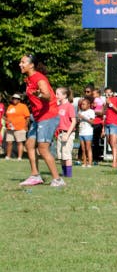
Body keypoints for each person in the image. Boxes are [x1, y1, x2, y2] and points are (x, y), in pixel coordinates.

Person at [18, 54, 65, 187]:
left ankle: (58, 179)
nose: (20, 64)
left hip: (48, 116)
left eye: (23, 62)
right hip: (39, 117)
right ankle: (35, 176)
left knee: (43, 149)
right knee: (29, 144)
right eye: (20, 62)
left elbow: (47, 96)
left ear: (31, 65)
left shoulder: (38, 78)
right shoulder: (29, 79)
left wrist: (38, 94)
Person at [55, 87, 76, 177]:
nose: (56, 96)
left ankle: (68, 175)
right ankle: (64, 174)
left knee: (66, 155)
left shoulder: (69, 106)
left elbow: (74, 121)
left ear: (65, 95)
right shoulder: (58, 106)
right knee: (61, 155)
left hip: (67, 133)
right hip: (60, 133)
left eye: (58, 94)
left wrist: (67, 134)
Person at [102, 87, 117, 169]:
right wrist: (103, 129)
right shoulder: (105, 102)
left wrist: (111, 104)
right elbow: (104, 114)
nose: (107, 95)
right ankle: (116, 159)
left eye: (109, 93)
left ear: (112, 93)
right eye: (106, 93)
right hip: (107, 124)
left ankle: (115, 162)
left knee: (113, 143)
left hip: (115, 124)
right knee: (110, 143)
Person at [4, 93, 30, 160]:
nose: (15, 100)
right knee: (9, 142)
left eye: (16, 99)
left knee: (19, 142)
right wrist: (6, 121)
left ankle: (19, 157)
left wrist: (26, 126)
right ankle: (8, 156)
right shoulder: (10, 106)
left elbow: (27, 117)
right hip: (10, 128)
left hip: (20, 128)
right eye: (13, 98)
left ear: (19, 100)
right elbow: (7, 116)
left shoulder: (23, 106)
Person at [77, 97, 96, 167]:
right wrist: (78, 120)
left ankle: (90, 162)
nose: (82, 106)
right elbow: (78, 121)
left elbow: (92, 122)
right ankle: (84, 162)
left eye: (84, 104)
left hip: (88, 132)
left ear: (88, 105)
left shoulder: (91, 111)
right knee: (83, 148)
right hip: (81, 132)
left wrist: (84, 117)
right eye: (81, 104)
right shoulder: (80, 112)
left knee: (88, 148)